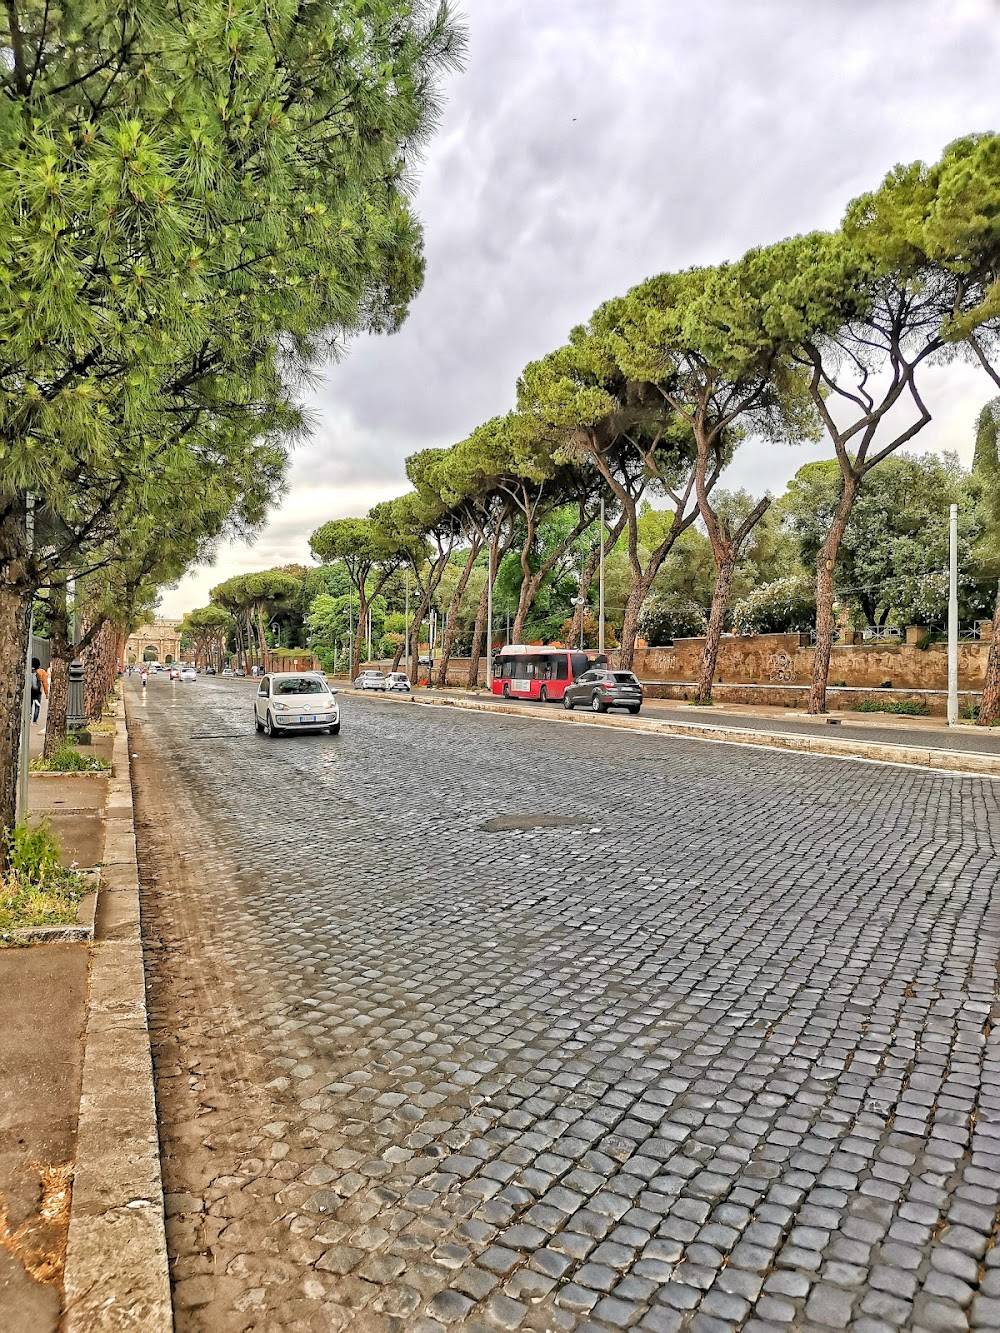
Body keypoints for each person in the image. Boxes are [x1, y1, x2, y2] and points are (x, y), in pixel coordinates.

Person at [30, 656, 48, 723]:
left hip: (30, 691)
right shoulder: (42, 672)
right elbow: (45, 683)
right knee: (37, 705)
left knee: (30, 705)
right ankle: (35, 719)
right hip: (38, 691)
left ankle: (29, 716)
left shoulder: (29, 671)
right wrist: (46, 693)